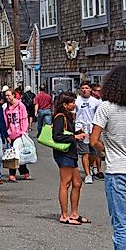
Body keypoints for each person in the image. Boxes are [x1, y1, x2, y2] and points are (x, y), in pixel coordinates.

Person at [90, 65, 126, 250]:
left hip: (118, 171)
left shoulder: (105, 107)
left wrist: (107, 149)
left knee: (121, 226)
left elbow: (93, 140)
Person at [52, 92, 88, 226]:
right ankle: (64, 215)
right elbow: (57, 136)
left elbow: (67, 133)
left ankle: (74, 213)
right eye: (72, 102)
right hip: (64, 154)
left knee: (77, 183)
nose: (74, 104)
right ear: (65, 104)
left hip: (71, 153)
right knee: (65, 183)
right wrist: (74, 137)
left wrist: (77, 134)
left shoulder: (68, 116)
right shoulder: (59, 117)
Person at [76, 81, 102, 184]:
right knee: (85, 153)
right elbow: (73, 115)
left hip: (92, 130)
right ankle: (87, 175)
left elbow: (100, 115)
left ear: (90, 89)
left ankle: (91, 166)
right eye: (82, 88)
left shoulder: (95, 102)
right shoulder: (77, 101)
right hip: (81, 129)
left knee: (93, 153)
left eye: (86, 88)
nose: (84, 90)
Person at [4, 88, 31, 182]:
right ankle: (12, 174)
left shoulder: (20, 106)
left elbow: (24, 119)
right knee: (13, 155)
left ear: (13, 95)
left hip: (19, 133)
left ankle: (24, 172)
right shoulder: (7, 107)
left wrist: (23, 131)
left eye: (8, 95)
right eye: (6, 95)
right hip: (11, 133)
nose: (7, 97)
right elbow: (6, 121)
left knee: (20, 154)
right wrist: (6, 134)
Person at [89, 83, 105, 180]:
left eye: (99, 91)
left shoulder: (102, 102)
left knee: (98, 150)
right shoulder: (89, 101)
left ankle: (99, 170)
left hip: (100, 127)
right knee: (91, 150)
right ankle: (92, 166)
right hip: (89, 127)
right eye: (96, 91)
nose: (98, 93)